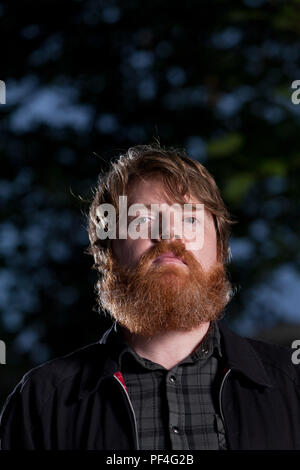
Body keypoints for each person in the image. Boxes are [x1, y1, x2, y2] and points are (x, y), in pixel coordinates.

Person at [0, 143, 300, 450]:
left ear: (221, 251)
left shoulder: (293, 386)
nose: (169, 235)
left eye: (190, 220)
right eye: (141, 220)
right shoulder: (42, 402)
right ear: (110, 253)